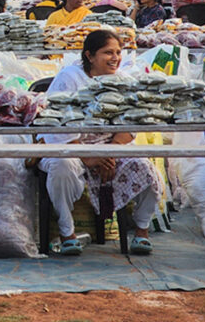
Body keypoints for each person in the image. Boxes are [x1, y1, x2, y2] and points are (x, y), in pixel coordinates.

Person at [40, 30, 161, 256]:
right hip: (73, 146)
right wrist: (88, 157)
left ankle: (141, 231)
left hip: (111, 147)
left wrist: (110, 153)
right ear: (89, 55)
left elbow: (131, 126)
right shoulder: (69, 78)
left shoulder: (124, 81)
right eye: (108, 53)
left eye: (118, 52)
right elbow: (56, 123)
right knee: (61, 167)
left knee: (146, 169)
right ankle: (68, 233)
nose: (115, 57)